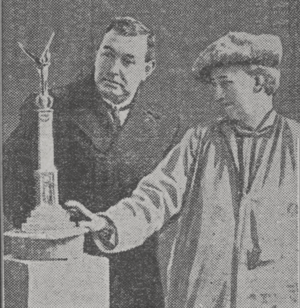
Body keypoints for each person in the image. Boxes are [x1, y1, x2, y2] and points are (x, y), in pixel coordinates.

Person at [66, 32, 300, 308]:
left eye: (225, 84)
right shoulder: (200, 141)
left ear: (259, 82)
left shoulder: (295, 142)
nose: (217, 95)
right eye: (214, 84)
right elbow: (154, 198)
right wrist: (109, 224)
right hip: (202, 298)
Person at [4, 16, 181, 308]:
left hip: (135, 278)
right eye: (107, 55)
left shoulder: (165, 126)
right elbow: (11, 180)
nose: (113, 70)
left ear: (147, 69)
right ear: (96, 54)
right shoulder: (52, 106)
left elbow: (168, 204)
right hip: (66, 270)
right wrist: (48, 241)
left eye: (128, 61)